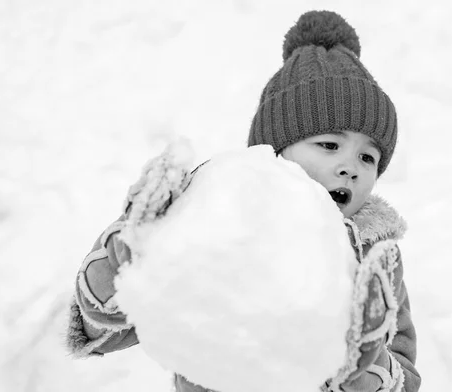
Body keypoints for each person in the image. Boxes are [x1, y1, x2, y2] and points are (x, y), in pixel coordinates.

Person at [66, 10, 421, 392]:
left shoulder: (374, 259)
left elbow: (404, 371)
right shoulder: (222, 220)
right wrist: (120, 271)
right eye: (329, 145)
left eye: (368, 157)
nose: (350, 167)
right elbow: (106, 334)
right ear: (275, 151)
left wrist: (368, 371)